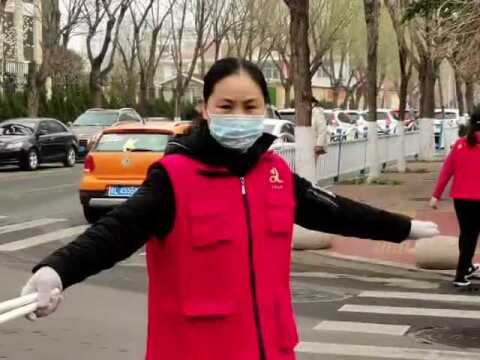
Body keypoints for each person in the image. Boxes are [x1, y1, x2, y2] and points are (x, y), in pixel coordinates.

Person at [21, 58, 439, 360]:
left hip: (271, 349)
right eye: (226, 107)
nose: (239, 116)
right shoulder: (174, 178)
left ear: (265, 111)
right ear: (205, 110)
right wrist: (55, 270)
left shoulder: (273, 173)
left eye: (250, 107)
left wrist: (406, 228)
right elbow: (114, 232)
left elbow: (337, 212)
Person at [430, 105, 480, 287]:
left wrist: (436, 195)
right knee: (471, 236)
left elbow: (446, 171)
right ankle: (460, 275)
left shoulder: (460, 144)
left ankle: (465, 268)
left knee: (467, 234)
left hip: (461, 199)